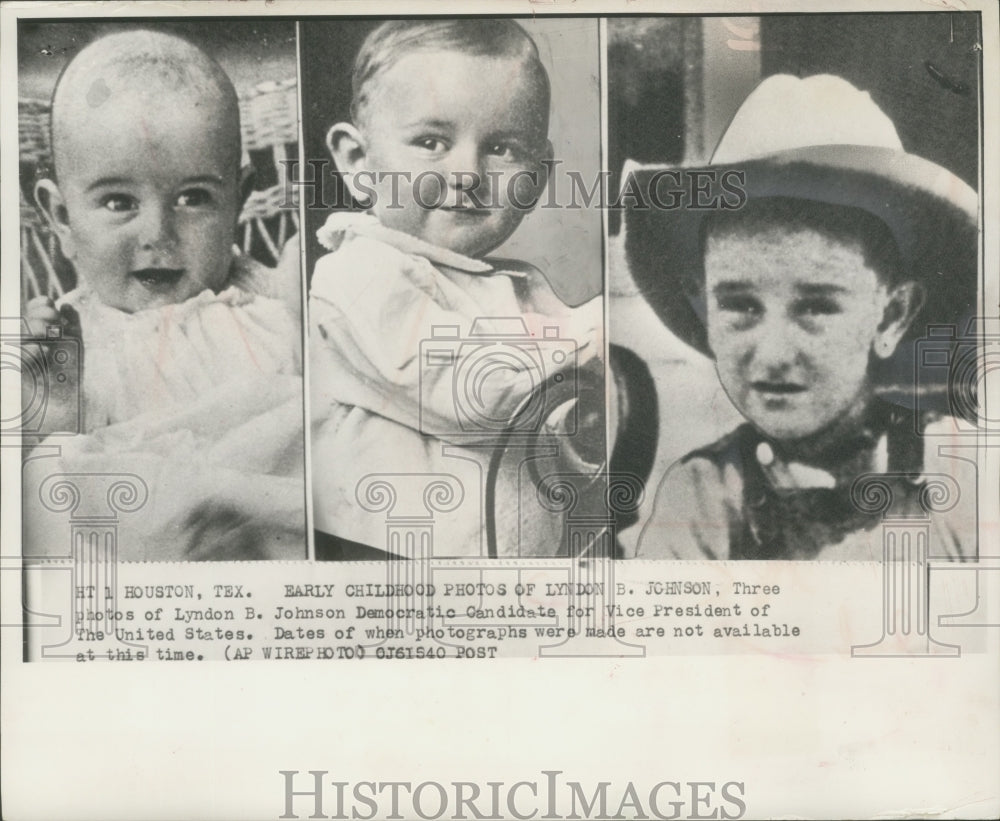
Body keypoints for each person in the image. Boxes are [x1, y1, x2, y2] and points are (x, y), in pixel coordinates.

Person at [626, 74, 978, 560]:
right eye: (741, 305)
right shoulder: (703, 499)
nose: (771, 355)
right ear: (701, 304)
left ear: (892, 316)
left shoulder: (962, 478)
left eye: (816, 306)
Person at [308, 20, 603, 558]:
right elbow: (476, 394)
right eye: (431, 142)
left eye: (503, 149)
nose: (466, 171)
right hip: (396, 566)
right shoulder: (359, 273)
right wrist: (593, 339)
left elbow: (562, 419)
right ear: (358, 163)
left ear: (536, 179)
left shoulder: (515, 287)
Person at [22, 30, 306, 560]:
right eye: (118, 202)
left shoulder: (274, 302)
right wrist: (48, 413)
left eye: (194, 198)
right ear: (61, 218)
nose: (158, 232)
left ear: (239, 202)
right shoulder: (65, 348)